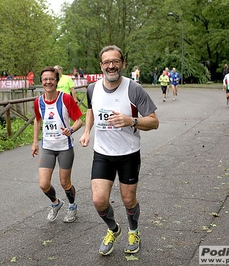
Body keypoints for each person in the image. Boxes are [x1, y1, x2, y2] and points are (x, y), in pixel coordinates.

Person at [79, 45, 159, 256]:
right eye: (107, 62)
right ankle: (113, 229)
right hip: (102, 153)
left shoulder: (133, 89)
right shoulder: (92, 88)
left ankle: (134, 231)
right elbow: (91, 110)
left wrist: (130, 120)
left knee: (128, 200)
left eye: (115, 61)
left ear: (123, 63)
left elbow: (154, 122)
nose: (111, 66)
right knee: (98, 200)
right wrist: (87, 131)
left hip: (128, 154)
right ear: (101, 66)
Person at [31, 66, 83, 223]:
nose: (48, 82)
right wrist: (34, 142)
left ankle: (72, 206)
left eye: (51, 79)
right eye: (45, 79)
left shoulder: (65, 99)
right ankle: (56, 203)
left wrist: (71, 130)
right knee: (43, 184)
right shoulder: (38, 101)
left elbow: (79, 121)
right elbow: (37, 120)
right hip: (47, 147)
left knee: (64, 182)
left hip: (64, 147)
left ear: (56, 81)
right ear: (41, 82)